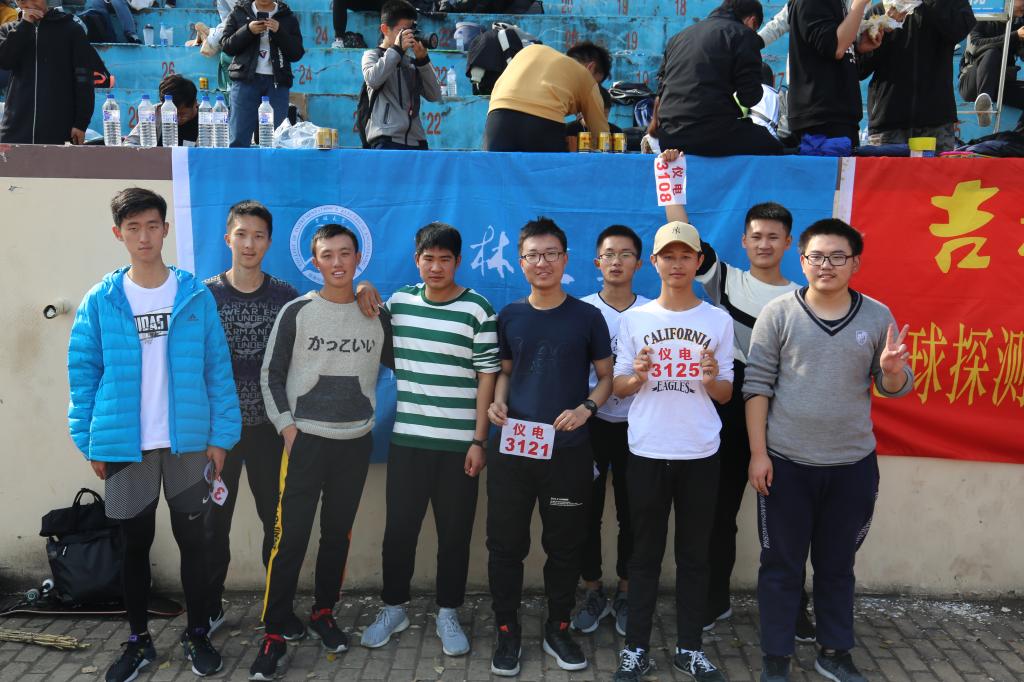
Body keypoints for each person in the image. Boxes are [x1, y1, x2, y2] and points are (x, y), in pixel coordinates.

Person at [67, 188, 241, 682]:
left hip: (188, 445)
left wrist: (221, 438)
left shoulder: (194, 295)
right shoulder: (102, 299)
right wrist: (90, 442)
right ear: (118, 233)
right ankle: (138, 640)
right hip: (127, 446)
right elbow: (83, 373)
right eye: (133, 228)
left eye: (151, 226)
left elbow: (217, 369)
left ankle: (197, 633)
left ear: (166, 229)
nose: (143, 236)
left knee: (195, 543)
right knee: (134, 545)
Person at [745, 219, 914, 682]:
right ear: (802, 261)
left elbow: (893, 386)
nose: (826, 265)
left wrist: (891, 371)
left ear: (855, 263)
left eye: (838, 257)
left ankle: (834, 651)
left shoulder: (877, 315)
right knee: (780, 566)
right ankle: (776, 657)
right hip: (785, 465)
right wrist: (758, 454)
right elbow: (756, 386)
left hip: (851, 466)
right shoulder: (778, 313)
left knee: (838, 566)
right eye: (817, 256)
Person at [249, 224, 393, 681]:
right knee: (289, 538)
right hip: (305, 442)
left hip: (355, 442)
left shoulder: (376, 313)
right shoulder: (297, 311)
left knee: (337, 535)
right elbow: (271, 374)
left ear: (358, 259)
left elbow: (405, 360)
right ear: (314, 262)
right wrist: (287, 428)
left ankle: (323, 612)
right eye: (327, 255)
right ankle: (274, 632)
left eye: (345, 254)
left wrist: (370, 292)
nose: (336, 262)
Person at [359, 223, 499, 656]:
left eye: (445, 259)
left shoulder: (478, 309)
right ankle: (393, 607)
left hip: (460, 446)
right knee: (399, 532)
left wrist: (479, 441)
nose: (436, 267)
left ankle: (448, 611)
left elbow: (487, 377)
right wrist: (363, 285)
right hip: (408, 442)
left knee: (454, 535)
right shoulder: (400, 303)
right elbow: (363, 310)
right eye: (428, 258)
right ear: (416, 259)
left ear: (458, 262)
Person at [486, 218, 613, 676]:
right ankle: (506, 630)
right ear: (521, 263)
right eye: (533, 255)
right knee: (505, 546)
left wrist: (586, 408)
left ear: (565, 259)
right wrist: (498, 404)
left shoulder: (587, 317)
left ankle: (558, 627)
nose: (542, 263)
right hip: (513, 450)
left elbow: (606, 378)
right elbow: (504, 372)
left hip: (568, 452)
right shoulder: (510, 315)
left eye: (551, 254)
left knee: (564, 546)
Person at [610, 221, 734, 682]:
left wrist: (711, 378)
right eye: (669, 256)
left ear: (698, 262)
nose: (677, 264)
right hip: (647, 448)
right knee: (644, 555)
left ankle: (689, 648)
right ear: (655, 262)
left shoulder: (717, 320)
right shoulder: (636, 319)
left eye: (686, 256)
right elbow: (618, 387)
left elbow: (725, 393)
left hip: (699, 450)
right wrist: (637, 376)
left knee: (695, 556)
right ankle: (636, 648)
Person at [201, 200, 299, 635]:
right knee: (211, 525)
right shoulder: (204, 295)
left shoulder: (286, 297)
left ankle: (278, 610)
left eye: (258, 236)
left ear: (269, 242)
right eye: (241, 234)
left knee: (276, 524)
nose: (249, 244)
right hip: (218, 434)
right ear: (228, 239)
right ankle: (209, 608)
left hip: (269, 431)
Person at [570, 225, 649, 637]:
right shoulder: (581, 310)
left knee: (634, 515)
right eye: (609, 254)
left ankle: (627, 591)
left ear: (640, 262)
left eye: (625, 254)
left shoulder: (654, 312)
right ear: (597, 262)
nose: (616, 262)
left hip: (641, 428)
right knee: (586, 511)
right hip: (592, 425)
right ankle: (592, 589)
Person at [655, 0, 782, 156]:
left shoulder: (679, 37)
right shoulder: (744, 35)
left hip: (668, 138)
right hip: (711, 135)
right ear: (752, 21)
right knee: (770, 143)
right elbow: (749, 98)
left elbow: (661, 88)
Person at [858, 0, 975, 152]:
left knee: (937, 169)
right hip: (887, 125)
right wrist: (883, 31)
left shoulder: (948, 3)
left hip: (936, 125)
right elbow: (861, 68)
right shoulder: (880, 10)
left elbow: (961, 29)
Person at [787, 0, 882, 147]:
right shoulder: (811, 3)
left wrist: (858, 49)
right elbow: (835, 47)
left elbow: (837, 54)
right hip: (820, 119)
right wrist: (860, 3)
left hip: (842, 118)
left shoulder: (838, 4)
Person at [484, 42, 610, 152]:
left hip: (496, 118)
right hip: (543, 123)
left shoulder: (531, 50)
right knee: (548, 170)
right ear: (590, 68)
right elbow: (601, 135)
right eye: (597, 83)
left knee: (496, 169)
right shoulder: (585, 76)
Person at [0, 0, 94, 144]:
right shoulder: (8, 30)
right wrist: (25, 25)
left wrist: (81, 123)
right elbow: (5, 61)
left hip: (59, 129)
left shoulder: (71, 29)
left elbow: (84, 80)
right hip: (15, 129)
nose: (26, 2)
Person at [221, 0, 304, 147]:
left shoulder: (287, 16)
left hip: (277, 83)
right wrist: (248, 30)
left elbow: (296, 53)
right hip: (245, 81)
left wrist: (279, 31)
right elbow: (227, 46)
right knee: (238, 138)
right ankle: (239, 163)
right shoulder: (239, 12)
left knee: (276, 140)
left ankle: (270, 163)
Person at [360, 0, 442, 150]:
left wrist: (423, 61)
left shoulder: (410, 62)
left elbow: (435, 95)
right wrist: (397, 50)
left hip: (417, 141)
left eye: (410, 30)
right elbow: (373, 79)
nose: (408, 36)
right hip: (386, 139)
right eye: (402, 31)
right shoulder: (372, 56)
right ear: (385, 29)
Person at [959, 0, 1024, 129]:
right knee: (992, 52)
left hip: (1001, 85)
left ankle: (1018, 134)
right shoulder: (983, 17)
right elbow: (975, 45)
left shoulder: (1019, 23)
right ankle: (984, 106)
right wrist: (1015, 35)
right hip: (973, 83)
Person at [124, 74, 200, 146]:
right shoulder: (154, 113)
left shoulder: (205, 117)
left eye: (183, 114)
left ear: (195, 103)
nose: (176, 119)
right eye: (172, 115)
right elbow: (130, 142)